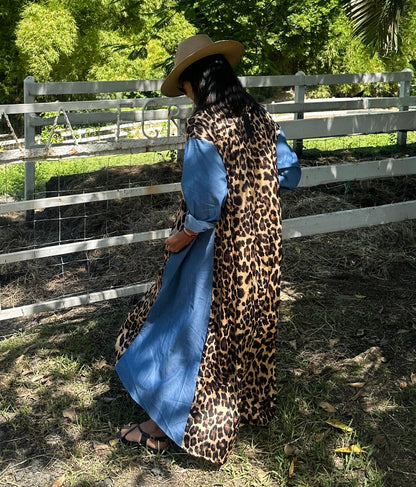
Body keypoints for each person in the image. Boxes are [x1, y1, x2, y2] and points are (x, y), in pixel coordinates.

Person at [114, 34, 301, 465]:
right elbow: (289, 175)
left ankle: (164, 427)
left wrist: (184, 234)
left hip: (217, 250)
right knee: (244, 324)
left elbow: (205, 200)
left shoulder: (204, 126)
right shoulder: (260, 118)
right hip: (261, 246)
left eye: (184, 86)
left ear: (196, 82)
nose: (185, 95)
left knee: (189, 328)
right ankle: (245, 409)